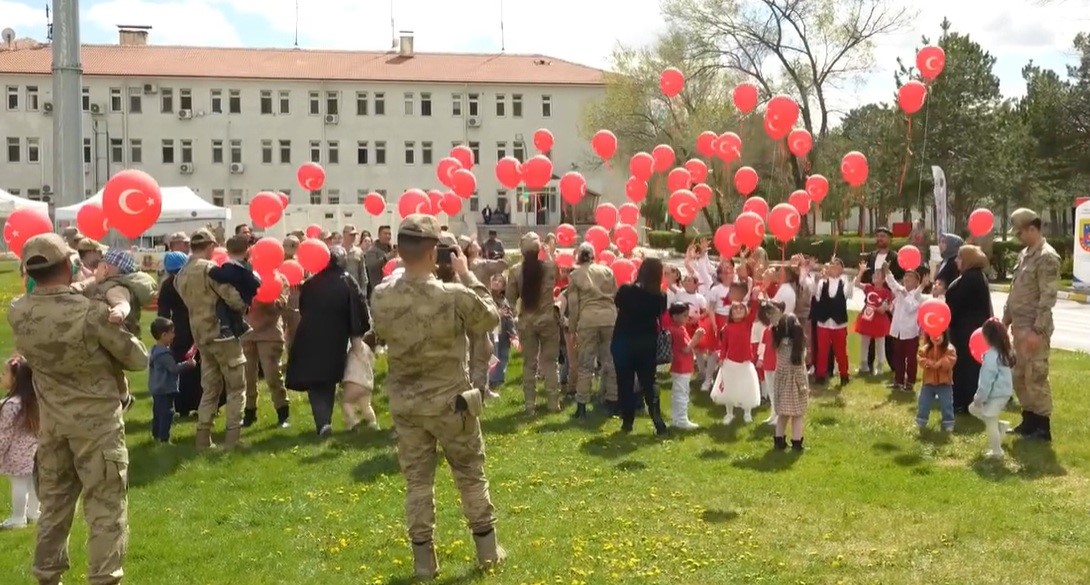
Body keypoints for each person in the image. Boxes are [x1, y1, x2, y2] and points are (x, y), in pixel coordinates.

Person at [9, 232, 149, 584]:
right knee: (105, 507)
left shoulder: (18, 311)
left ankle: (47, 576)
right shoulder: (91, 313)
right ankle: (103, 578)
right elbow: (136, 358)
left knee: (53, 507)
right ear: (69, 266)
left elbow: (51, 303)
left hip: (52, 423)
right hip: (97, 427)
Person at [371, 214, 504, 579]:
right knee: (470, 475)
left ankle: (424, 563)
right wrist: (467, 273)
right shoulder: (455, 294)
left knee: (417, 482)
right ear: (434, 254)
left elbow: (381, 330)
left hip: (407, 403)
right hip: (451, 403)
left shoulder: (381, 296)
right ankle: (488, 553)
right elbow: (490, 318)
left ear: (398, 250)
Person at [175, 228, 250, 450]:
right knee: (237, 387)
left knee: (210, 388)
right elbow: (233, 298)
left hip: (201, 336)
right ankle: (233, 439)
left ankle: (203, 437)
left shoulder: (181, 274)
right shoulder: (210, 270)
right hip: (223, 335)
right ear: (209, 247)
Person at [285, 245, 370, 436]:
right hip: (335, 337)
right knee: (328, 379)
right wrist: (357, 333)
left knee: (316, 381)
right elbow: (358, 307)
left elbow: (304, 307)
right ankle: (327, 421)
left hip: (309, 335)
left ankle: (322, 422)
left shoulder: (311, 283)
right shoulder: (347, 281)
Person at [1002, 208, 1061, 441]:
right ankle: (1028, 421)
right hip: (1019, 328)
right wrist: (1006, 319)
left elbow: (1048, 298)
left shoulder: (1047, 257)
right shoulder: (1024, 254)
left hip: (1035, 328)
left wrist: (1038, 330)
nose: (1018, 237)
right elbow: (1014, 291)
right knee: (1019, 376)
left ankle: (1042, 427)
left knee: (1035, 376)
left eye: (1020, 233)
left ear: (1032, 229)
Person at [612, 258, 669, 434]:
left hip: (623, 341)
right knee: (649, 382)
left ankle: (627, 422)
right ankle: (657, 420)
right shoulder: (660, 296)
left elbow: (617, 303)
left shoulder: (626, 290)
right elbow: (660, 314)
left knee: (625, 382)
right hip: (646, 343)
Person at [507, 233, 561, 414]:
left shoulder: (515, 271)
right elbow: (558, 275)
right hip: (548, 321)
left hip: (527, 322)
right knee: (550, 362)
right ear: (539, 249)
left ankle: (530, 405)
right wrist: (550, 253)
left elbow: (510, 299)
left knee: (529, 363)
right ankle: (554, 403)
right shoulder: (550, 267)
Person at [567, 242, 619, 418]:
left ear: (579, 256)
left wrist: (572, 329)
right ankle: (612, 401)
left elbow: (573, 306)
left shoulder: (575, 275)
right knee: (611, 361)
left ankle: (581, 405)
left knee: (585, 364)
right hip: (610, 318)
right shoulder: (607, 271)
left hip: (588, 319)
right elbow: (615, 295)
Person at [944, 245, 994, 412]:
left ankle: (963, 401)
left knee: (966, 367)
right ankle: (964, 400)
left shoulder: (971, 278)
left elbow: (957, 302)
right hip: (968, 329)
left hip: (967, 330)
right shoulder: (973, 276)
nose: (956, 261)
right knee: (967, 367)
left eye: (959, 257)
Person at [242, 271, 292, 429]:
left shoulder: (280, 278)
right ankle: (249, 412)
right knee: (248, 375)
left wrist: (269, 298)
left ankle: (282, 411)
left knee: (272, 374)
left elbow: (282, 302)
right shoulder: (246, 276)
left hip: (269, 333)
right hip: (247, 332)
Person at [462, 236, 508, 394]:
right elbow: (503, 265)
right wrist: (498, 255)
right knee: (482, 353)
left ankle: (467, 387)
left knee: (467, 353)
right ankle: (481, 390)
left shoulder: (460, 267)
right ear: (471, 249)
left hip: (464, 313)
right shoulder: (481, 265)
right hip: (481, 312)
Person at [0, 356, 39, 529]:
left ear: (15, 379)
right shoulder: (35, 403)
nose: (1, 377)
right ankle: (33, 512)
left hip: (16, 455)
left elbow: (4, 434)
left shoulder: (9, 405)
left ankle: (18, 517)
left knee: (19, 485)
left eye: (4, 373)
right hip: (35, 452)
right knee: (32, 484)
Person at [710, 295, 761, 425]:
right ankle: (729, 413)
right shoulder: (727, 328)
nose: (738, 310)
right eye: (735, 309)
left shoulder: (747, 324)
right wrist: (721, 358)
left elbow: (754, 310)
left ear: (745, 312)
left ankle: (747, 413)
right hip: (730, 362)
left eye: (740, 308)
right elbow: (724, 345)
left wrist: (754, 298)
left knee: (746, 388)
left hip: (745, 363)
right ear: (731, 313)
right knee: (729, 388)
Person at [970, 319, 1016, 459]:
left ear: (987, 337)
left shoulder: (992, 356)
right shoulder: (1003, 352)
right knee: (973, 409)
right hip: (1001, 393)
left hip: (996, 394)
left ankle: (997, 452)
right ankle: (1000, 426)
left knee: (990, 420)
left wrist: (980, 397)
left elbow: (987, 380)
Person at [148, 317, 197, 443]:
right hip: (165, 389)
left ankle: (156, 435)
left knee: (158, 413)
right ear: (163, 335)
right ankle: (164, 438)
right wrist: (188, 364)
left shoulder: (155, 350)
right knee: (167, 414)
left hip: (156, 388)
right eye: (172, 332)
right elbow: (174, 369)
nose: (174, 335)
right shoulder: (164, 354)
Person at [209, 235, 261, 340]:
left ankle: (225, 328)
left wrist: (212, 269)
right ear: (247, 251)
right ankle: (242, 326)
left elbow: (216, 274)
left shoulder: (230, 268)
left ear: (227, 252)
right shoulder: (247, 268)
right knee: (235, 314)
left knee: (221, 304)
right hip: (247, 299)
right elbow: (256, 284)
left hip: (236, 298)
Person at [811, 258, 852, 385]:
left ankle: (844, 374)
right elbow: (815, 295)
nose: (834, 267)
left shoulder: (844, 282)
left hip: (839, 323)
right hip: (824, 322)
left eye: (838, 265)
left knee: (841, 351)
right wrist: (817, 280)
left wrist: (851, 280)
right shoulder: (822, 282)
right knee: (822, 350)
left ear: (841, 269)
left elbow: (849, 295)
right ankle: (820, 375)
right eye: (832, 265)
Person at [771, 313, 810, 451]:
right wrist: (803, 387)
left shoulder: (779, 344)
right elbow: (798, 370)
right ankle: (797, 442)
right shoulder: (797, 348)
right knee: (798, 415)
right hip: (794, 386)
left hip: (781, 383)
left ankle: (779, 440)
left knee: (783, 414)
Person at [865, 227, 902, 371]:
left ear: (889, 239)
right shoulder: (871, 256)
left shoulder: (895, 257)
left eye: (883, 236)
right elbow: (867, 277)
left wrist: (889, 299)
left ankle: (893, 364)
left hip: (888, 302)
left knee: (889, 334)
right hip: (871, 301)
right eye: (878, 236)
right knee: (869, 331)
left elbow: (899, 279)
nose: (880, 239)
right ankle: (868, 363)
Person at [885, 268, 924, 391]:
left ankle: (910, 382)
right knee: (898, 356)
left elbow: (911, 308)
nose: (906, 278)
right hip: (898, 331)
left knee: (911, 359)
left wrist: (905, 294)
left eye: (910, 277)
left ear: (917, 282)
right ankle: (898, 380)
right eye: (906, 276)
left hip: (911, 332)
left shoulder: (918, 296)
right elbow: (892, 283)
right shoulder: (900, 291)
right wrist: (887, 271)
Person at [666, 302, 704, 430]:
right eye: (684, 315)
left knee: (680, 392)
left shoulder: (679, 328)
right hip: (681, 366)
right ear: (675, 316)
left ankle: (677, 418)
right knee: (681, 393)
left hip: (682, 366)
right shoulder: (677, 331)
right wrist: (697, 337)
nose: (687, 318)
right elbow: (686, 349)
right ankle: (681, 420)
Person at [853, 264, 893, 376]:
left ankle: (880, 366)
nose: (875, 276)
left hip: (879, 321)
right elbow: (856, 283)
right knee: (864, 343)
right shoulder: (868, 287)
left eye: (878, 275)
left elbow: (883, 309)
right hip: (867, 319)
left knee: (880, 344)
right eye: (874, 274)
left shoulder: (886, 293)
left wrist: (872, 308)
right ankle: (863, 365)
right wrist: (861, 271)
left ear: (883, 279)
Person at [916, 329, 957, 432]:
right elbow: (920, 358)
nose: (936, 337)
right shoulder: (925, 349)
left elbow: (951, 359)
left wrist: (940, 363)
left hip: (944, 383)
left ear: (944, 335)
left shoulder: (949, 348)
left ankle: (948, 423)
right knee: (924, 402)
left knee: (946, 404)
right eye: (933, 335)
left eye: (939, 335)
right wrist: (928, 362)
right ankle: (921, 421)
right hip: (928, 383)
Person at [486, 274, 517, 397]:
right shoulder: (487, 297)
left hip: (503, 332)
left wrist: (513, 334)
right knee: (493, 355)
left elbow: (509, 317)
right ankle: (491, 381)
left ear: (504, 286)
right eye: (495, 280)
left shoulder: (504, 300)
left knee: (503, 356)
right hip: (491, 332)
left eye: (500, 281)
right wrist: (498, 313)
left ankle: (499, 379)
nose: (497, 283)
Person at [755, 301, 784, 426]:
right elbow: (763, 345)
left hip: (778, 363)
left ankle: (779, 415)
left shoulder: (783, 330)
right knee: (771, 389)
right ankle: (773, 413)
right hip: (768, 363)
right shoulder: (767, 330)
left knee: (778, 390)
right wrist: (760, 358)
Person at [342, 334, 380, 431]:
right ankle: (373, 423)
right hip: (367, 385)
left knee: (347, 403)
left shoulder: (360, 347)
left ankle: (353, 421)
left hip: (354, 381)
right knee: (366, 406)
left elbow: (355, 337)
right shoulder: (371, 354)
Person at [364, 225, 395, 297]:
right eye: (385, 233)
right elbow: (371, 266)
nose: (388, 236)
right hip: (378, 289)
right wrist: (385, 258)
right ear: (379, 235)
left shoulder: (391, 249)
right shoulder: (372, 251)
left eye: (389, 234)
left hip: (391, 289)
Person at [343, 225, 369, 291]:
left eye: (354, 235)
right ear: (344, 234)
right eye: (351, 235)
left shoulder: (359, 251)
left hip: (354, 287)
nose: (353, 237)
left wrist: (363, 291)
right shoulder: (339, 250)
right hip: (341, 287)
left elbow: (362, 272)